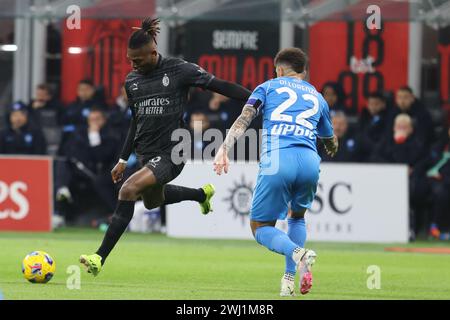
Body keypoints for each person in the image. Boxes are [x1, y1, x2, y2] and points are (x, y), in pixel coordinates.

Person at [79, 17, 252, 276]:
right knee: (151, 201)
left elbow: (220, 85)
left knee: (128, 190)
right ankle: (201, 195)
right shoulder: (132, 81)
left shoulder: (179, 70)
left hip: (173, 151)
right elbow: (135, 122)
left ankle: (99, 257)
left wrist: (255, 99)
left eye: (137, 59)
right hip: (146, 153)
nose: (133, 64)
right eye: (129, 60)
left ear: (153, 52)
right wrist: (123, 159)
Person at [213, 47, 338, 296]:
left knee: (260, 227)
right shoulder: (318, 97)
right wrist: (331, 146)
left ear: (279, 70)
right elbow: (331, 141)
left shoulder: (268, 87)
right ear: (303, 71)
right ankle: (289, 280)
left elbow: (245, 117)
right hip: (310, 162)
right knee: (297, 217)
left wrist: (224, 148)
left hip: (278, 160)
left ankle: (298, 252)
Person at [55, 108, 120, 223]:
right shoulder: (80, 134)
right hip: (81, 170)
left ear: (104, 120)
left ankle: (118, 213)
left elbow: (101, 157)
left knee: (100, 181)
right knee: (62, 164)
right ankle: (61, 194)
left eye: (97, 119)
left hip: (102, 171)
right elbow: (69, 151)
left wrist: (95, 136)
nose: (94, 122)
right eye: (91, 119)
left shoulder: (110, 134)